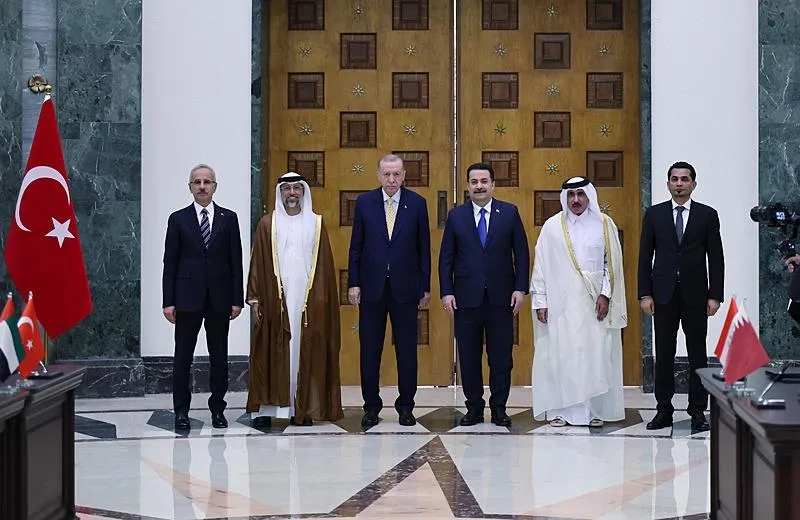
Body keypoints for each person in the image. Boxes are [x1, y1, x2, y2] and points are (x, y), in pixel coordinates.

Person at [245, 172, 343, 427]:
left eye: (296, 188)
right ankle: (267, 409)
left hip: (306, 300)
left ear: (303, 192)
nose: (291, 193)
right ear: (280, 193)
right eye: (286, 188)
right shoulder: (268, 224)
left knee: (303, 350)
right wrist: (254, 298)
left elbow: (324, 267)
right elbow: (257, 263)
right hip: (273, 298)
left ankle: (302, 409)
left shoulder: (316, 223)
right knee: (271, 349)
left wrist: (321, 300)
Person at [530, 176, 627, 427]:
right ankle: (561, 411)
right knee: (561, 355)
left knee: (595, 355)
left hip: (594, 304)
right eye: (571, 195)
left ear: (589, 196)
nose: (576, 200)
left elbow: (611, 264)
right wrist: (541, 301)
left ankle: (594, 411)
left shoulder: (604, 224)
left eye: (581, 194)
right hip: (560, 304)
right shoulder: (552, 227)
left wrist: (606, 295)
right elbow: (540, 265)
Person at [439, 162, 529, 427]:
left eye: (484, 181)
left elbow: (521, 254)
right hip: (465, 299)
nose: (479, 186)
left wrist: (520, 288)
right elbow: (446, 258)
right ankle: (474, 408)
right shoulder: (456, 216)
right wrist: (447, 292)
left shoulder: (509, 213)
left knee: (501, 358)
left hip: (502, 299)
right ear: (468, 186)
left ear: (493, 184)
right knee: (468, 358)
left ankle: (499, 408)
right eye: (474, 182)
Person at [638, 161, 724, 432]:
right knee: (664, 353)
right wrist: (644, 294)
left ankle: (698, 411)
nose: (679, 183)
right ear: (668, 183)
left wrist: (715, 296)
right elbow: (644, 257)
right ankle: (663, 410)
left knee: (698, 354)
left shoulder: (707, 215)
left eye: (684, 179)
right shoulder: (654, 214)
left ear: (693, 184)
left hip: (696, 296)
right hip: (662, 295)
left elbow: (716, 258)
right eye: (674, 179)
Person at [347, 154, 431, 428]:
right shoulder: (365, 202)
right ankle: (371, 407)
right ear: (378, 175)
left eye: (396, 174)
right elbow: (356, 245)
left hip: (406, 289)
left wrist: (425, 287)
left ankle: (406, 407)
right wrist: (354, 283)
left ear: (404, 175)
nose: (392, 179)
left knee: (406, 352)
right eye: (387, 174)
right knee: (370, 351)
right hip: (372, 289)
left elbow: (424, 248)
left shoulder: (417, 203)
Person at [162, 164, 244, 430]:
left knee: (219, 358)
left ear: (215, 187)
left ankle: (218, 410)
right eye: (197, 182)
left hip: (220, 299)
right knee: (182, 358)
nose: (202, 186)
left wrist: (237, 299)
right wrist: (168, 301)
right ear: (190, 187)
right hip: (187, 299)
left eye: (207, 182)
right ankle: (181, 411)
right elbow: (170, 262)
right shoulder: (178, 219)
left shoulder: (229, 218)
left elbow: (236, 261)